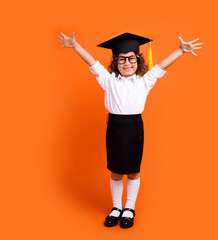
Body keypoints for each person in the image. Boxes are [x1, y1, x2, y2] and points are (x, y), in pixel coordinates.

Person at [58, 32, 203, 228]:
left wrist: (180, 50)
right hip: (115, 128)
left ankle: (129, 208)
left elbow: (161, 66)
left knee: (133, 170)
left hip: (134, 128)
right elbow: (91, 62)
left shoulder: (144, 81)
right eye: (122, 59)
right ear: (115, 61)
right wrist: (75, 46)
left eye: (132, 58)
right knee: (116, 170)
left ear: (138, 60)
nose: (127, 63)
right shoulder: (107, 80)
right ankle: (116, 207)